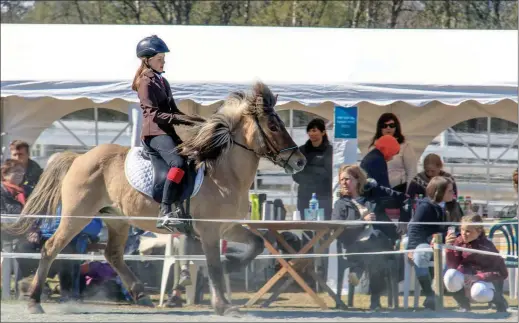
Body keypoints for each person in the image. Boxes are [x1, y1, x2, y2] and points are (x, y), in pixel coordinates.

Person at [132, 35, 205, 230]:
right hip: (153, 134)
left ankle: (180, 207)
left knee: (192, 158)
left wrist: (194, 121)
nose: (163, 62)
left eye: (163, 58)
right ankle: (164, 210)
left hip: (167, 132)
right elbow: (153, 114)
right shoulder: (145, 82)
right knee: (178, 163)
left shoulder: (162, 81)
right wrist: (179, 119)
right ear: (147, 60)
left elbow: (173, 110)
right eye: (159, 59)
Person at [331, 164, 408, 310]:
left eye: (347, 179)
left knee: (376, 242)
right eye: (341, 180)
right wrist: (362, 222)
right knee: (375, 255)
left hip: (379, 242)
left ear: (358, 180)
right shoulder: (340, 204)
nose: (344, 183)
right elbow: (338, 228)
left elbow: (404, 199)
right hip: (355, 245)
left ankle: (358, 270)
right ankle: (375, 301)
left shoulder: (373, 196)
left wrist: (403, 221)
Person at [405, 176, 455, 310]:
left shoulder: (449, 206)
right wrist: (411, 249)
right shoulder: (425, 206)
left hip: (439, 245)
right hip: (423, 243)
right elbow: (414, 228)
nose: (453, 194)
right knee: (420, 255)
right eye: (450, 191)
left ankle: (459, 298)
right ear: (440, 192)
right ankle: (429, 294)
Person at [444, 214, 508, 313]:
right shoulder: (458, 241)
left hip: (484, 281)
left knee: (479, 293)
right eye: (462, 229)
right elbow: (452, 266)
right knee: (450, 276)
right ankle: (464, 305)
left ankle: (499, 300)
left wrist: (479, 277)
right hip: (467, 277)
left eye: (468, 231)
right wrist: (449, 248)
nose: (463, 233)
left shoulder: (487, 246)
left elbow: (502, 272)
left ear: (479, 231)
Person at [292, 118, 333, 220]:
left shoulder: (330, 151)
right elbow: (295, 172)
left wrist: (308, 171)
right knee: (306, 227)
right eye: (309, 131)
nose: (311, 133)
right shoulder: (301, 151)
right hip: (304, 196)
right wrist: (310, 177)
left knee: (323, 227)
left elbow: (329, 173)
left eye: (314, 130)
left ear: (323, 132)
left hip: (324, 195)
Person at [369, 113, 416, 194]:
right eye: (384, 125)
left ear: (396, 127)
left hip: (399, 189)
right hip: (379, 190)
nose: (388, 128)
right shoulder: (374, 147)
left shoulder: (405, 146)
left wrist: (408, 192)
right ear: (380, 128)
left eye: (391, 125)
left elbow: (412, 171)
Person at [407, 153, 462, 222]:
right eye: (427, 171)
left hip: (446, 212)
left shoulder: (448, 179)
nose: (430, 174)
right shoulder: (418, 180)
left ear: (440, 167)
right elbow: (409, 198)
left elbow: (454, 196)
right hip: (424, 212)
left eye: (433, 171)